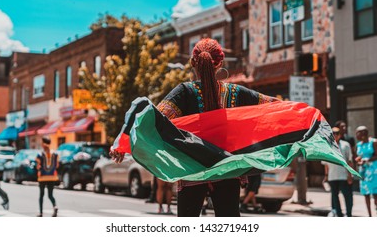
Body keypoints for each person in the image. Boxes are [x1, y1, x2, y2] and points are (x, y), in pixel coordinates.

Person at [111, 38, 279, 217]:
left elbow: (154, 120)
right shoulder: (237, 93)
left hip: (192, 170)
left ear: (193, 63)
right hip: (227, 168)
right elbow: (274, 106)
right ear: (220, 63)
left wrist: (122, 145)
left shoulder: (184, 92)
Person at [322, 127, 353, 217]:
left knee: (347, 196)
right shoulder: (326, 146)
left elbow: (349, 161)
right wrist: (326, 176)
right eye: (333, 133)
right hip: (332, 176)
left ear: (340, 134)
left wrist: (350, 175)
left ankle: (349, 214)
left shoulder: (346, 145)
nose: (335, 135)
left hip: (344, 175)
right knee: (335, 197)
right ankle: (339, 215)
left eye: (337, 133)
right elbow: (325, 164)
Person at [355, 126, 377, 217]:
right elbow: (358, 157)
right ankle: (369, 216)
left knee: (375, 194)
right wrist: (358, 160)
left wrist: (367, 159)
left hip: (373, 171)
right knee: (366, 194)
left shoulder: (374, 142)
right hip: (363, 171)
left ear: (364, 133)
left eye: (357, 133)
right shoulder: (358, 144)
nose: (356, 135)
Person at [36, 136, 59, 217]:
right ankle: (55, 206)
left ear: (43, 143)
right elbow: (57, 165)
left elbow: (38, 166)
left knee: (41, 195)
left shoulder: (40, 154)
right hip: (52, 177)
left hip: (42, 177)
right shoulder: (55, 154)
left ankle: (41, 213)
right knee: (50, 195)